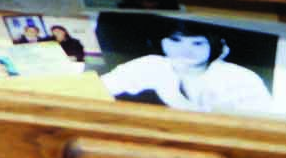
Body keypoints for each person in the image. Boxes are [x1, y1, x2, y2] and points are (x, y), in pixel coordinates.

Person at [99, 18, 276, 115]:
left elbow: (264, 122)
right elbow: (96, 89)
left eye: (198, 43)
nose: (185, 50)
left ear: (217, 46)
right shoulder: (150, 65)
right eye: (175, 40)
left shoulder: (241, 78)